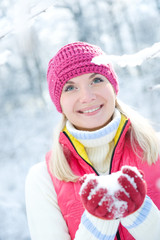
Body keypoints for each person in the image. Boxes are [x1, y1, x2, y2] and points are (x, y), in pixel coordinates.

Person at [25, 42, 160, 240]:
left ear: (113, 86)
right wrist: (98, 225)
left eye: (96, 80)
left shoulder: (157, 150)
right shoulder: (43, 178)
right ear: (59, 102)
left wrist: (141, 215)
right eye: (70, 87)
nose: (87, 97)